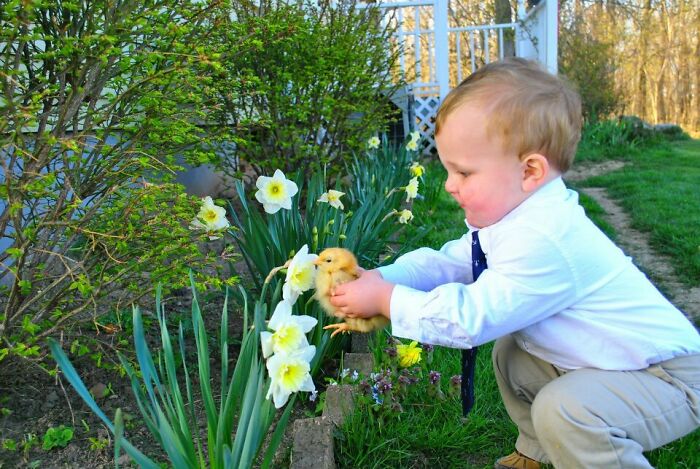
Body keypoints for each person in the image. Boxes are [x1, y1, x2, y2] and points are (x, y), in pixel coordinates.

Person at [329, 58, 700, 469]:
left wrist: (386, 299)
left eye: (464, 172)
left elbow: (471, 319)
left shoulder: (546, 238)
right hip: (616, 363)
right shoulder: (517, 215)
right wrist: (384, 277)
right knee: (513, 353)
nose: (449, 185)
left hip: (667, 378)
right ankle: (535, 455)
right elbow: (450, 263)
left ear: (530, 171)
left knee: (566, 410)